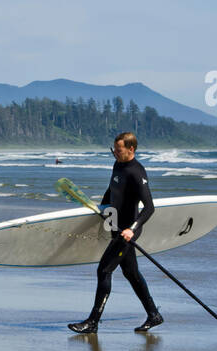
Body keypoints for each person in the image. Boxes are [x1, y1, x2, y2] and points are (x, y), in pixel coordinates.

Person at [68, 132, 163, 334]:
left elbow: (149, 208)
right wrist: (102, 208)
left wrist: (132, 229)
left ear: (131, 149)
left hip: (127, 232)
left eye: (118, 150)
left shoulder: (137, 172)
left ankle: (92, 322)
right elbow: (112, 190)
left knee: (104, 270)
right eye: (114, 150)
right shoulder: (117, 164)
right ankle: (154, 315)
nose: (115, 154)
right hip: (115, 226)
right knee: (131, 273)